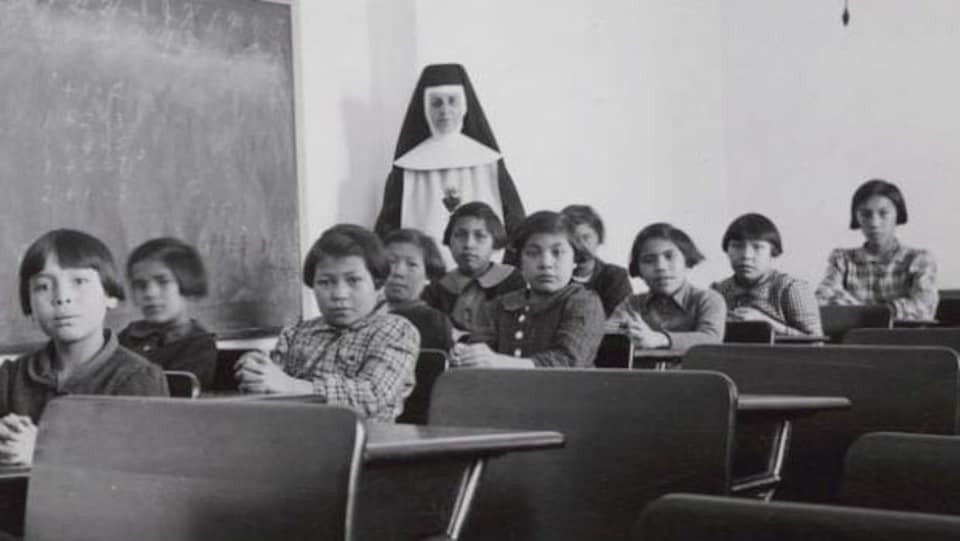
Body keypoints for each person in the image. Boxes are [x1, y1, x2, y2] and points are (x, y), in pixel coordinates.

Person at [0, 229, 168, 466]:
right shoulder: (10, 376)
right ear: (29, 305)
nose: (61, 297)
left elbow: (141, 471)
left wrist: (44, 451)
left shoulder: (138, 379)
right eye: (43, 287)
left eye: (79, 281)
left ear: (110, 296)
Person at [234, 225, 418, 422]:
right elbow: (271, 388)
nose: (339, 294)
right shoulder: (295, 332)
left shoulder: (396, 330)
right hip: (295, 437)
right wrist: (257, 371)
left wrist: (290, 386)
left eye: (353, 280)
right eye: (325, 282)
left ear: (378, 282)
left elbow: (371, 396)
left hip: (362, 443)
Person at [373, 63, 525, 267]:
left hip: (487, 279)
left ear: (464, 105)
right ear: (425, 108)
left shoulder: (489, 161)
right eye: (436, 103)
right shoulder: (407, 166)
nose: (445, 111)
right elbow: (388, 228)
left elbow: (515, 222)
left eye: (452, 101)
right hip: (426, 279)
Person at [451, 211, 604, 368]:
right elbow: (482, 347)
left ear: (575, 260)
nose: (545, 263)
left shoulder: (584, 303)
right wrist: (467, 354)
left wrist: (498, 362)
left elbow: (568, 360)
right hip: (503, 391)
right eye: (532, 253)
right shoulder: (500, 306)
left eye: (557, 252)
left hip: (567, 391)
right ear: (520, 260)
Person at [815, 179, 938, 321]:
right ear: (856, 217)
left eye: (883, 213)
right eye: (865, 214)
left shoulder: (920, 259)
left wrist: (858, 311)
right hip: (854, 340)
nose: (874, 223)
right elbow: (822, 300)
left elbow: (923, 309)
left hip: (907, 340)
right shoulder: (842, 259)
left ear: (898, 214)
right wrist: (889, 311)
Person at [608, 223, 726, 352]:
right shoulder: (632, 304)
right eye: (648, 260)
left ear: (686, 260)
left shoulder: (708, 299)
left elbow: (711, 338)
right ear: (638, 268)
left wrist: (660, 339)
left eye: (669, 257)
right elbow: (606, 333)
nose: (660, 267)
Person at [118, 238, 217, 387]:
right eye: (140, 285)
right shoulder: (128, 336)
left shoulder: (198, 345)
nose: (150, 293)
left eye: (163, 281)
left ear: (186, 283)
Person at [421, 202, 525, 334]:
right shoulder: (438, 288)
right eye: (460, 235)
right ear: (449, 239)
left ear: (495, 241)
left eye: (480, 236)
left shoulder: (512, 280)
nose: (469, 244)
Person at [712, 213, 823, 336]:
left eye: (758, 247)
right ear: (726, 250)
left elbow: (816, 343)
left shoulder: (791, 288)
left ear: (773, 251)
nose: (746, 256)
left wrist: (767, 324)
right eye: (737, 246)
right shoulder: (718, 291)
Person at [383, 228, 455, 351]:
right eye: (391, 262)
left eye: (412, 264)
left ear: (428, 276)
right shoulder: (361, 313)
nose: (399, 272)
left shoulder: (432, 321)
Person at [560, 204, 632, 316]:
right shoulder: (555, 279)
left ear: (599, 236)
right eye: (571, 241)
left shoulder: (615, 277)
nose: (580, 247)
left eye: (586, 237)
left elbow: (621, 321)